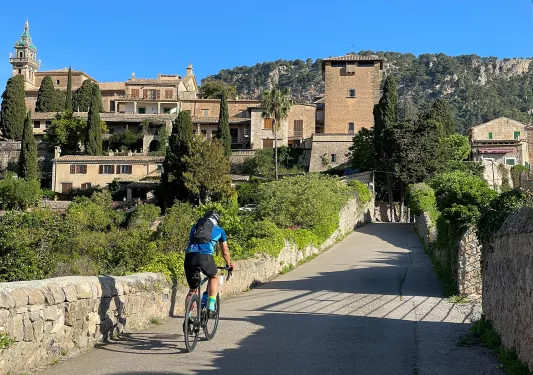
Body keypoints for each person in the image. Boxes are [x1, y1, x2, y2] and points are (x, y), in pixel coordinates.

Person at [184, 210, 233, 318]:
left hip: (189, 257)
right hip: (205, 257)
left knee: (192, 290)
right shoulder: (219, 230)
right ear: (216, 221)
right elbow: (225, 252)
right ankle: (211, 307)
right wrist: (229, 264)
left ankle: (188, 319)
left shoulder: (194, 228)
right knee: (214, 276)